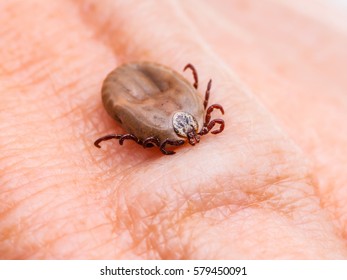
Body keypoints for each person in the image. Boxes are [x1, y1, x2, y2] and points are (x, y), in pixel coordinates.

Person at [0, 0, 346, 259]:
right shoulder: (172, 129)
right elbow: (147, 136)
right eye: (190, 136)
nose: (193, 141)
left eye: (194, 134)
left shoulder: (193, 119)